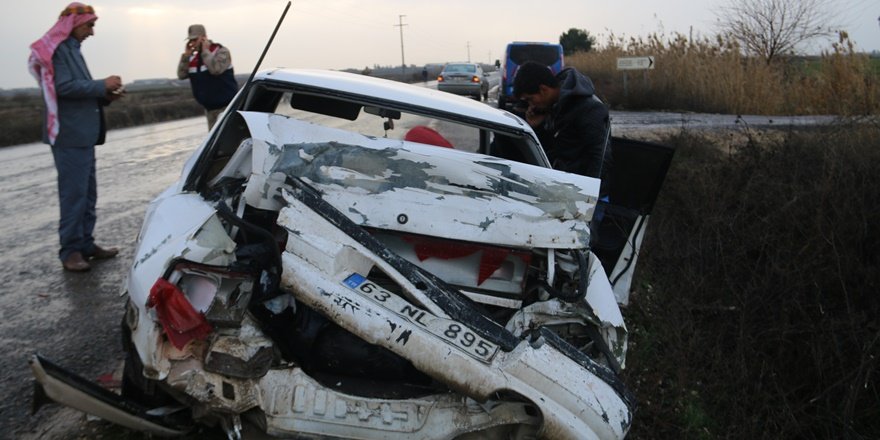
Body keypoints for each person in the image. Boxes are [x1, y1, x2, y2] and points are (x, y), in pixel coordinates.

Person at [28, 2, 122, 272]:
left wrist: (104, 96)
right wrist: (101, 84)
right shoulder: (57, 51)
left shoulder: (71, 50)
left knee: (88, 194)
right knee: (74, 195)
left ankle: (85, 244)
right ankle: (70, 251)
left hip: (82, 135)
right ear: (73, 24)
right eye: (89, 25)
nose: (92, 32)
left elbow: (76, 90)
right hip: (69, 136)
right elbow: (63, 87)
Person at [512, 61, 612, 194]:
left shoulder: (588, 108)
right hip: (560, 188)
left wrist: (589, 195)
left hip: (583, 194)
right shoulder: (555, 107)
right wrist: (537, 127)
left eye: (530, 99)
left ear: (543, 90)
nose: (531, 105)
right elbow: (552, 150)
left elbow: (599, 157)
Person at [177, 24, 238, 129]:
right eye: (190, 41)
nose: (192, 43)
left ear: (204, 37)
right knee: (215, 143)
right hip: (210, 111)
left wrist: (205, 52)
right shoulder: (192, 58)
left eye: (195, 40)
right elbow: (181, 75)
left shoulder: (221, 51)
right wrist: (186, 56)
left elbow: (216, 69)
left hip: (227, 108)